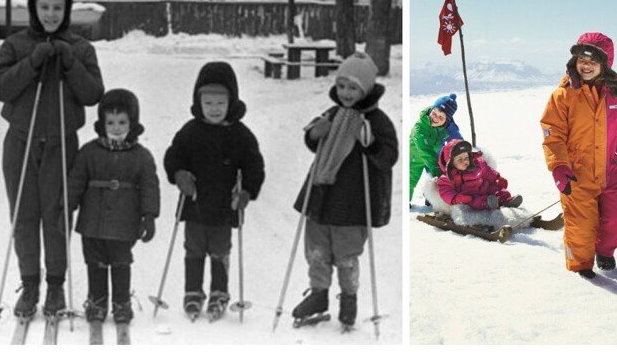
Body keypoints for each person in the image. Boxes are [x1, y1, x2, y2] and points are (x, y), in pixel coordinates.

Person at [0, 0, 104, 318]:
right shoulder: (16, 44)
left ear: (66, 8)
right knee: (25, 217)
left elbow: (92, 93)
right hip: (21, 143)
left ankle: (55, 285)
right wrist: (33, 62)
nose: (51, 14)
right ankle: (30, 283)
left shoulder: (81, 47)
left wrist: (68, 62)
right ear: (33, 7)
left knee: (55, 216)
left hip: (61, 144)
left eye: (57, 7)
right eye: (44, 7)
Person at [291, 52, 398, 328]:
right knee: (317, 250)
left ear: (365, 89)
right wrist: (316, 133)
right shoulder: (333, 113)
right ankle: (318, 294)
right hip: (322, 197)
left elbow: (389, 156)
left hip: (353, 202)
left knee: (347, 254)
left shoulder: (377, 121)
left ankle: (349, 299)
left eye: (353, 87)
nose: (346, 93)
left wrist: (371, 143)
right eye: (342, 86)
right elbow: (313, 140)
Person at [164, 61, 265, 319]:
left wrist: (247, 192)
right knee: (194, 250)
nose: (214, 109)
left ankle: (219, 292)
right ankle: (193, 293)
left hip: (223, 207)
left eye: (220, 103)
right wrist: (179, 174)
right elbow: (174, 156)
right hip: (195, 204)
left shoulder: (241, 135)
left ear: (231, 101)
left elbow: (254, 166)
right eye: (208, 103)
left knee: (220, 251)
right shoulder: (190, 131)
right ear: (199, 102)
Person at [540, 32, 617, 279]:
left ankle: (605, 251)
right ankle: (581, 265)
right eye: (581, 60)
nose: (586, 66)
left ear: (605, 65)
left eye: (593, 62)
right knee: (581, 225)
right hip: (577, 173)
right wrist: (559, 167)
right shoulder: (563, 95)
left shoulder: (616, 95)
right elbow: (553, 134)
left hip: (609, 169)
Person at [66, 89, 160, 324]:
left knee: (120, 260)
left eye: (122, 122)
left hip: (124, 219)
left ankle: (121, 303)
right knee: (95, 260)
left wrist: (149, 215)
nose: (116, 127)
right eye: (110, 122)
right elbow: (77, 179)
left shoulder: (141, 156)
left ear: (132, 122)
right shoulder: (89, 152)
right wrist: (67, 204)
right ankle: (97, 302)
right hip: (93, 219)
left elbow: (150, 186)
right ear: (102, 122)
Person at [437, 139, 523, 210]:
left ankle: (506, 200)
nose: (465, 161)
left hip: (485, 188)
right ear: (450, 163)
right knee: (474, 202)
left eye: (466, 157)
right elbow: (445, 191)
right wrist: (456, 198)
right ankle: (486, 204)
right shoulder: (448, 177)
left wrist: (497, 177)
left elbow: (487, 171)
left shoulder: (477, 164)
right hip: (470, 196)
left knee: (497, 190)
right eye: (459, 159)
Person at [408, 93, 462, 202]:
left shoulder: (448, 127)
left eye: (441, 117)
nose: (435, 118)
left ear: (447, 120)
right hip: (416, 155)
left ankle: (433, 198)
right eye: (434, 113)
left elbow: (457, 140)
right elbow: (424, 149)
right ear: (431, 110)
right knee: (410, 178)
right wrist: (435, 165)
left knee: (437, 178)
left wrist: (463, 151)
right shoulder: (420, 127)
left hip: (435, 155)